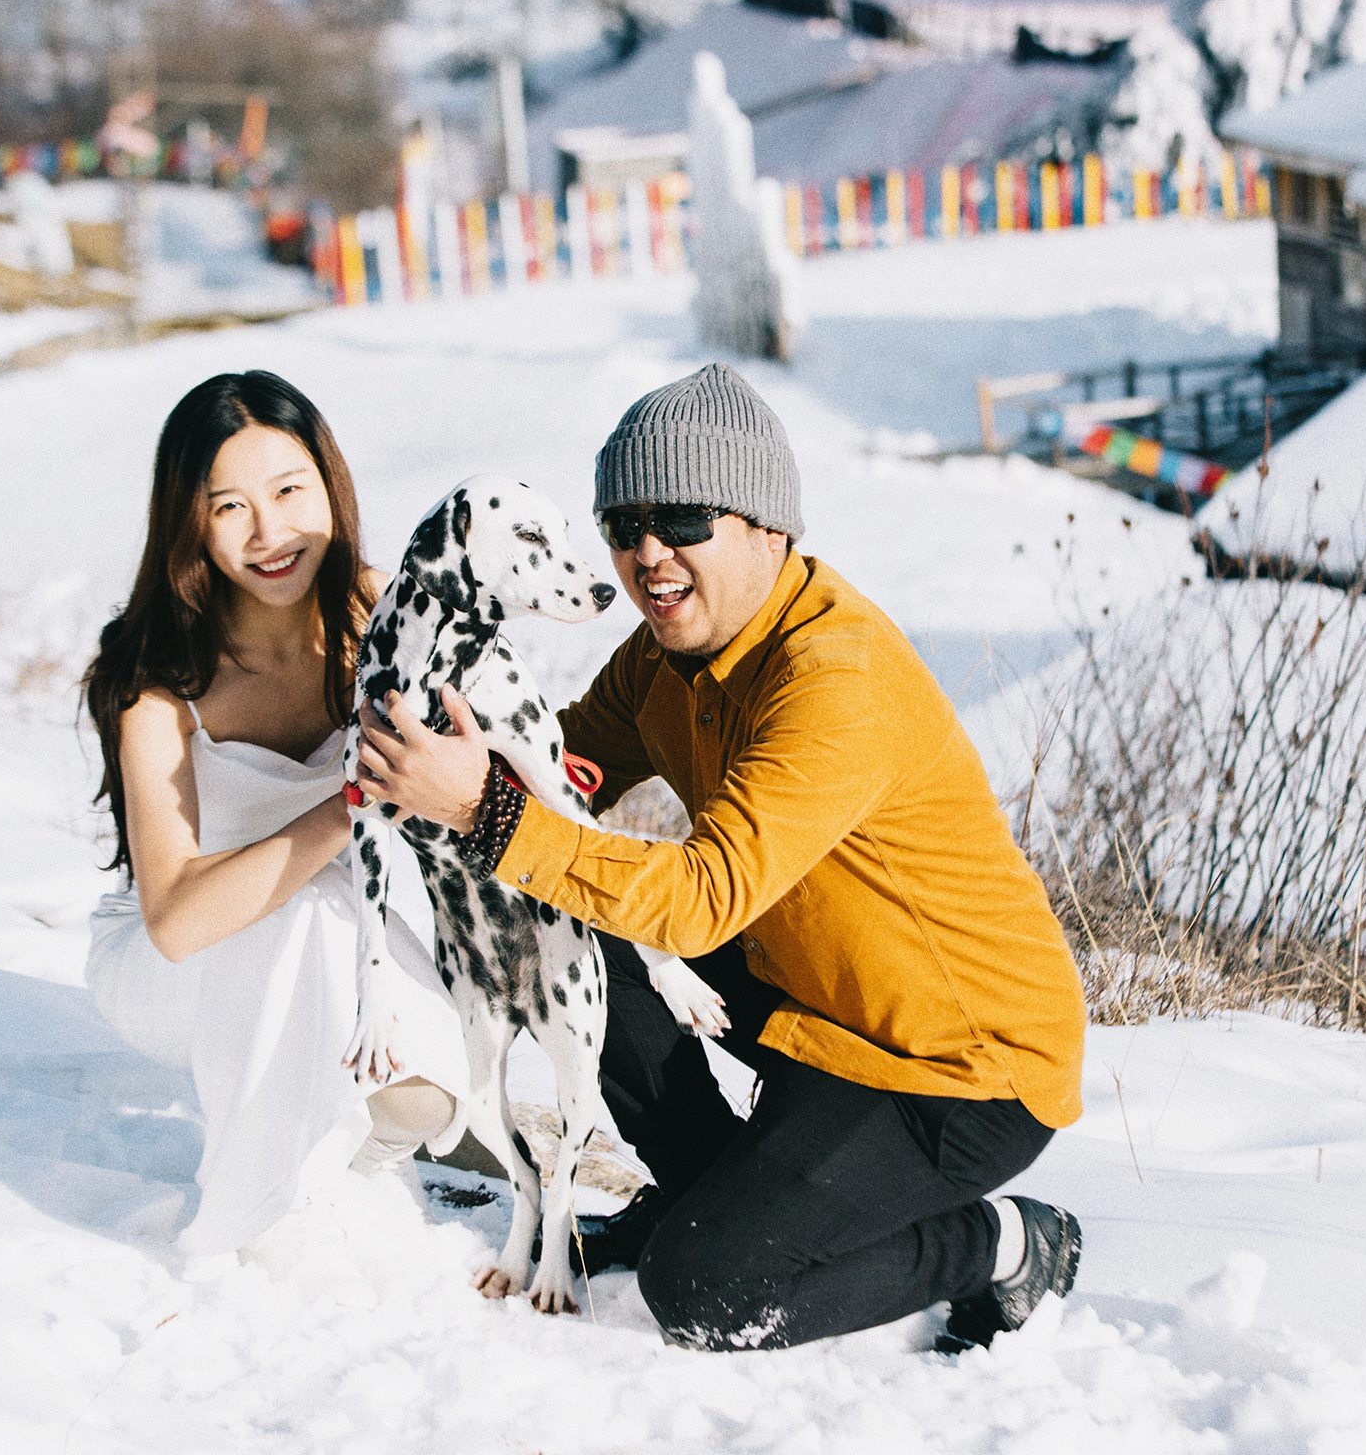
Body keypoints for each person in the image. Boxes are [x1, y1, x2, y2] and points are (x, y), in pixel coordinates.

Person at [357, 361, 1088, 1353]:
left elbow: (700, 899)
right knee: (575, 914)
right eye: (624, 524)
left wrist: (487, 811)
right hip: (812, 1002)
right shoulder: (662, 659)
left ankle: (1001, 1243)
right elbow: (562, 773)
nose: (648, 552)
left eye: (685, 518)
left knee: (706, 1290)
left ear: (769, 528)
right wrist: (427, 716)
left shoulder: (836, 678)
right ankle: (707, 1186)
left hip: (957, 1067)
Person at [81, 369, 470, 1261]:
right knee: (296, 907)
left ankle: (339, 1160)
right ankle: (256, 1221)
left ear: (329, 486)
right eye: (229, 507)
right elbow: (175, 919)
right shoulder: (156, 675)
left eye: (291, 491)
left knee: (422, 1098)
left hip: (328, 924)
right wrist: (354, 803)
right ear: (190, 522)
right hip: (166, 962)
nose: (270, 534)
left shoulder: (384, 612)